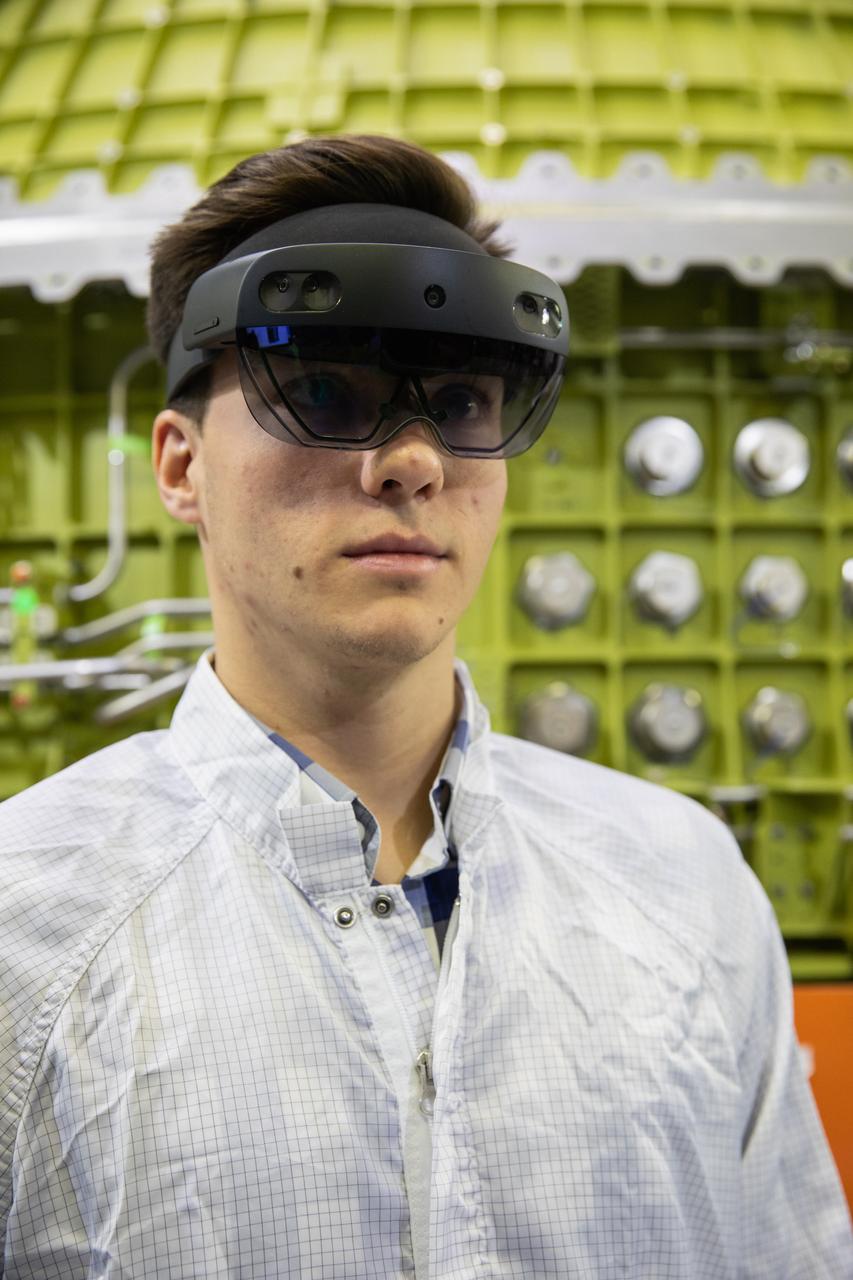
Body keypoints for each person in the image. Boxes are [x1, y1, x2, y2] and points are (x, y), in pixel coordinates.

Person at [0, 133, 850, 1279]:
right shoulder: (28, 927)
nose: (409, 458)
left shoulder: (686, 888)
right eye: (321, 392)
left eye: (458, 399)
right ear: (180, 464)